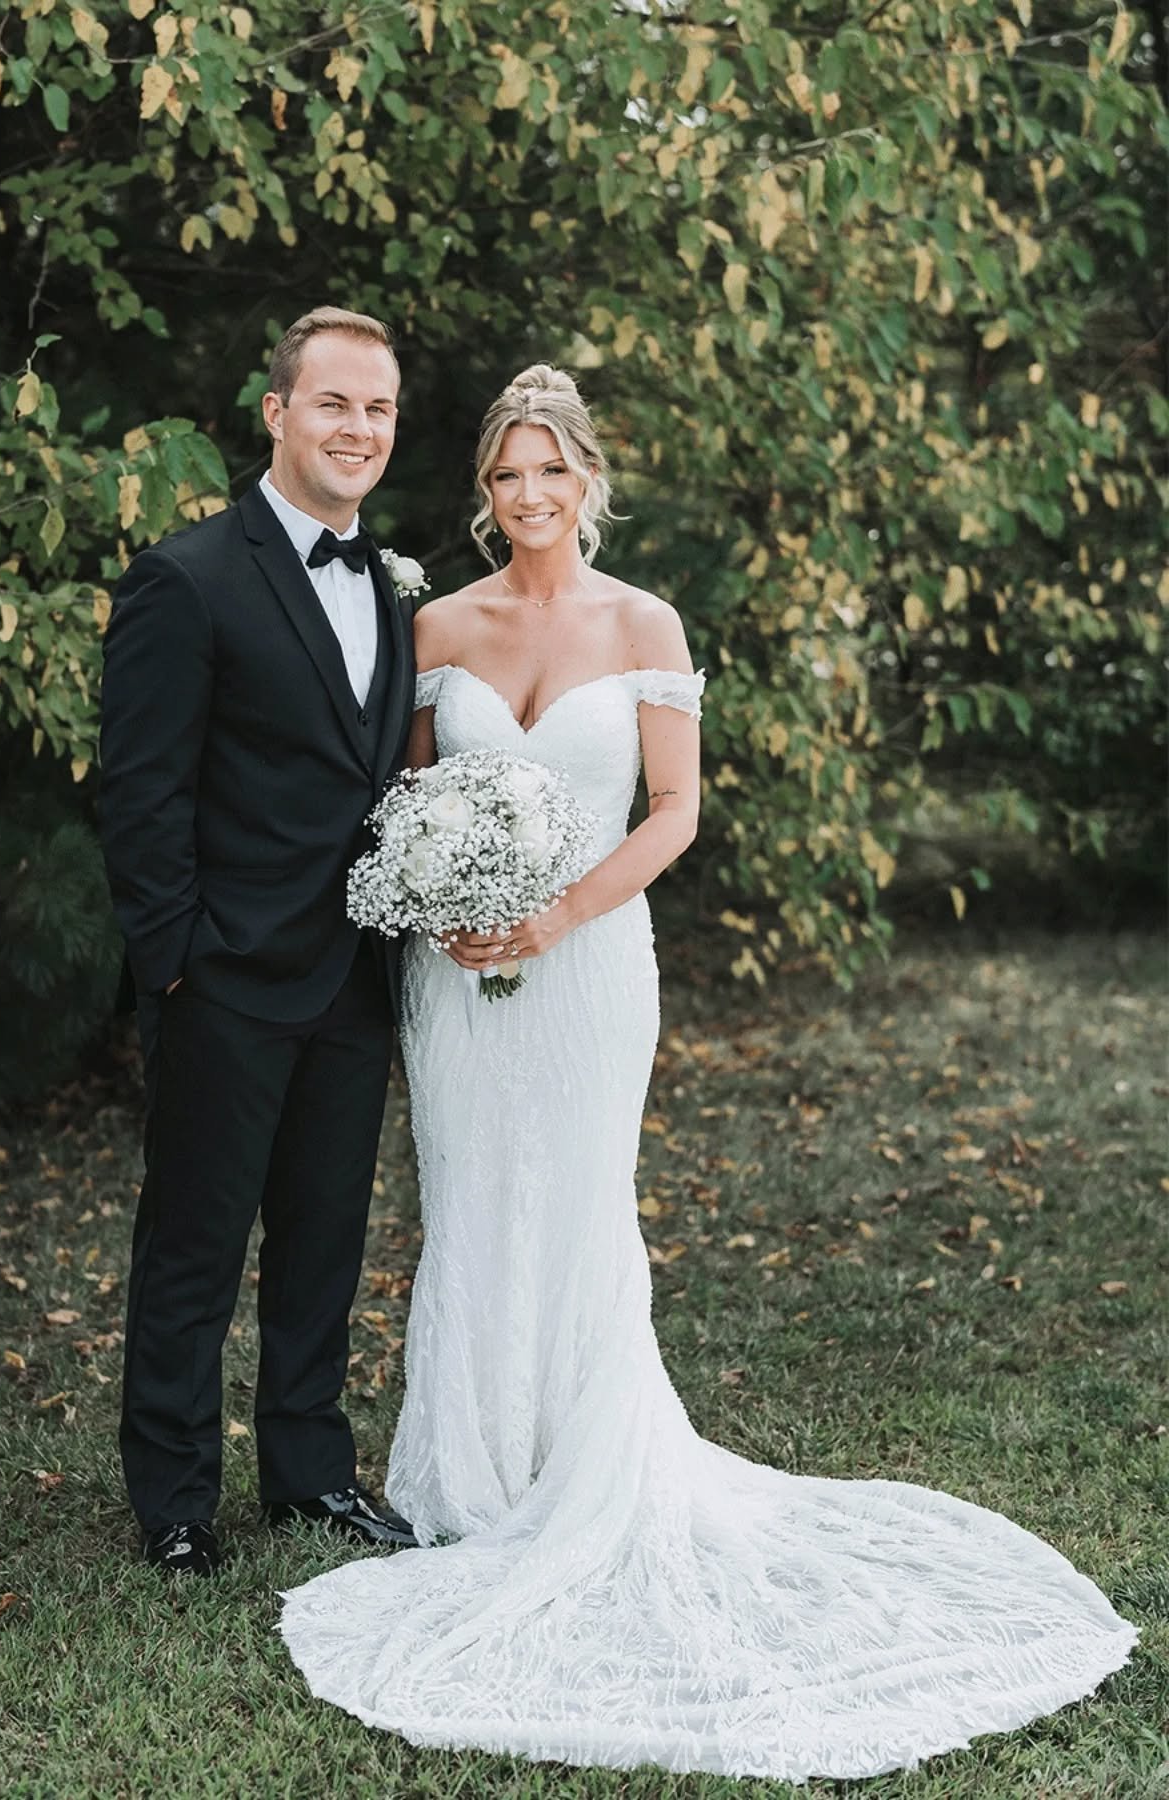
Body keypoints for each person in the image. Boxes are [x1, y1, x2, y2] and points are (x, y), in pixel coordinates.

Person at [278, 366, 1136, 1780]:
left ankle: (587, 1466)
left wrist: (556, 913)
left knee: (583, 1199)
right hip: (458, 971)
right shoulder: (438, 624)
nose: (528, 497)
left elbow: (674, 813)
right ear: (483, 493)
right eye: (504, 476)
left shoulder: (647, 623)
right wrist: (443, 907)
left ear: (589, 480)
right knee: (476, 1199)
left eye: (549, 471)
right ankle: (479, 1475)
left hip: (595, 958)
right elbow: (412, 803)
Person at [98, 306, 420, 1575]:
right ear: (276, 411)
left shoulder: (393, 586)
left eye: (380, 409)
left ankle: (310, 1470)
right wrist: (176, 955)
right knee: (194, 1242)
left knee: (327, 1236)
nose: (359, 428)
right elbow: (140, 792)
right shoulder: (188, 577)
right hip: (226, 974)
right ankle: (175, 1497)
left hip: (353, 974)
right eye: (335, 403)